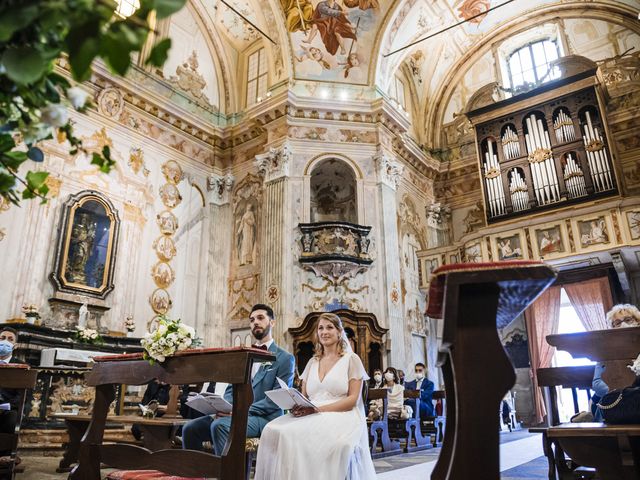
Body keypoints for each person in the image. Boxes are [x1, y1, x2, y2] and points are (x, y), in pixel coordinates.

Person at [254, 313, 376, 480]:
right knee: (272, 430)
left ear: (339, 332)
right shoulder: (312, 362)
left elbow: (352, 400)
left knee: (296, 435)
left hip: (342, 414)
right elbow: (303, 396)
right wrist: (295, 405)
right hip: (311, 412)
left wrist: (316, 409)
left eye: (329, 327)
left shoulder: (351, 360)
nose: (324, 332)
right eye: (320, 328)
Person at [181, 304, 295, 455]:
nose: (255, 322)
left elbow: (275, 400)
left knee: (220, 426)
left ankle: (228, 473)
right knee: (190, 428)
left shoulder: (285, 358)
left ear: (272, 322)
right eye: (252, 319)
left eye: (260, 318)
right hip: (235, 414)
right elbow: (231, 389)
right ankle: (195, 476)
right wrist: (225, 408)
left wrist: (239, 412)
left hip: (265, 418)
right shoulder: (244, 355)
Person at [591, 304, 640, 420]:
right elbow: (597, 384)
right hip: (614, 404)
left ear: (637, 322)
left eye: (628, 319)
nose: (623, 324)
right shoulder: (606, 353)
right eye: (617, 323)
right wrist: (623, 391)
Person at [0, 327, 20, 460]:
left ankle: (5, 457)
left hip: (6, 409)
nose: (5, 341)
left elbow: (23, 396)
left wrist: (4, 406)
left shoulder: (21, 366)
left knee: (12, 418)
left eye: (10, 339)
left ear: (15, 345)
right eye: (2, 338)